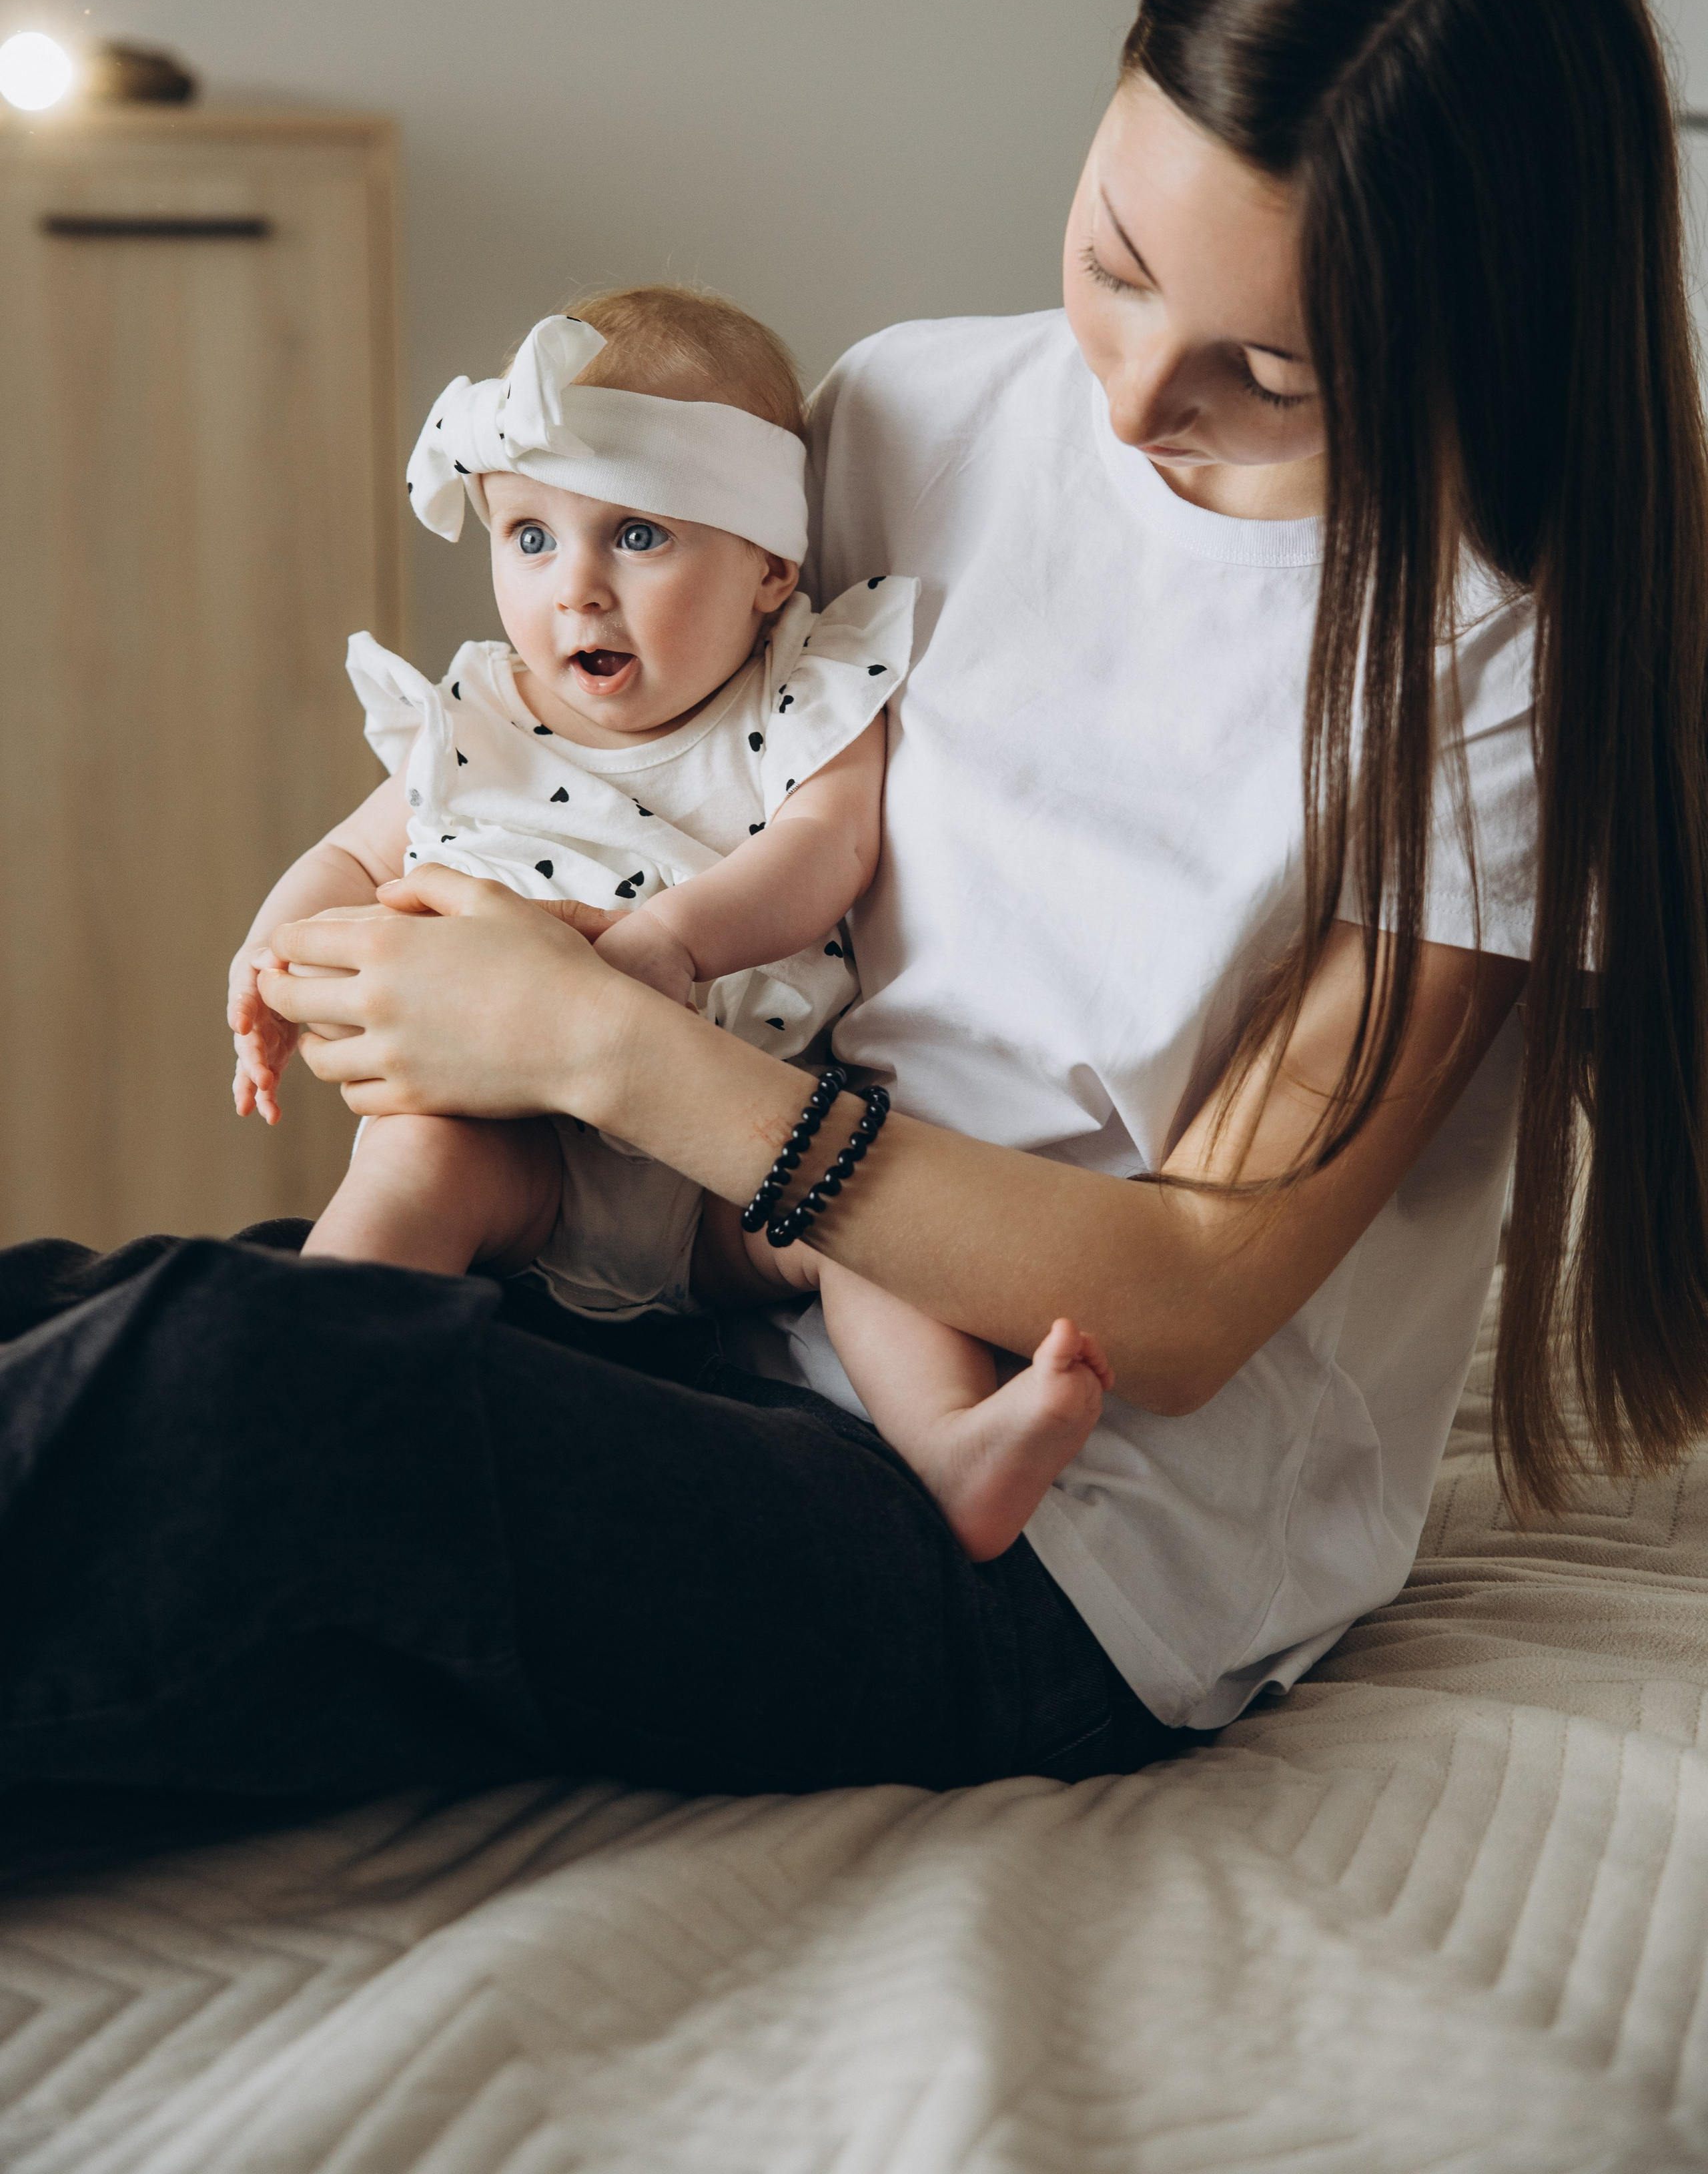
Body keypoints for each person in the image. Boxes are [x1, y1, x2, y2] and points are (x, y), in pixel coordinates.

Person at [3, 0, 1705, 1810]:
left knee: (220, 1387)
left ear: (1466, 339)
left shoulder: (1493, 668)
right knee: (111, 1320)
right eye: (1115, 263)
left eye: (1263, 374)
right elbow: (641, 754)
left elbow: (1173, 1307)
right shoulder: (908, 413)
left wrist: (591, 1040)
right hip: (697, 1305)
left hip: (1052, 1544)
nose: (1135, 395)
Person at [228, 285, 1112, 1562]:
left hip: (730, 1154)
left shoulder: (803, 700)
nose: (574, 590)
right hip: (513, 1148)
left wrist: (678, 943)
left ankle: (952, 1446)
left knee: (868, 1207)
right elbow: (346, 857)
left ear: (767, 568)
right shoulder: (478, 716)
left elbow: (830, 847)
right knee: (409, 1166)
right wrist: (273, 957)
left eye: (635, 534)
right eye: (529, 536)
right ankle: (306, 1392)